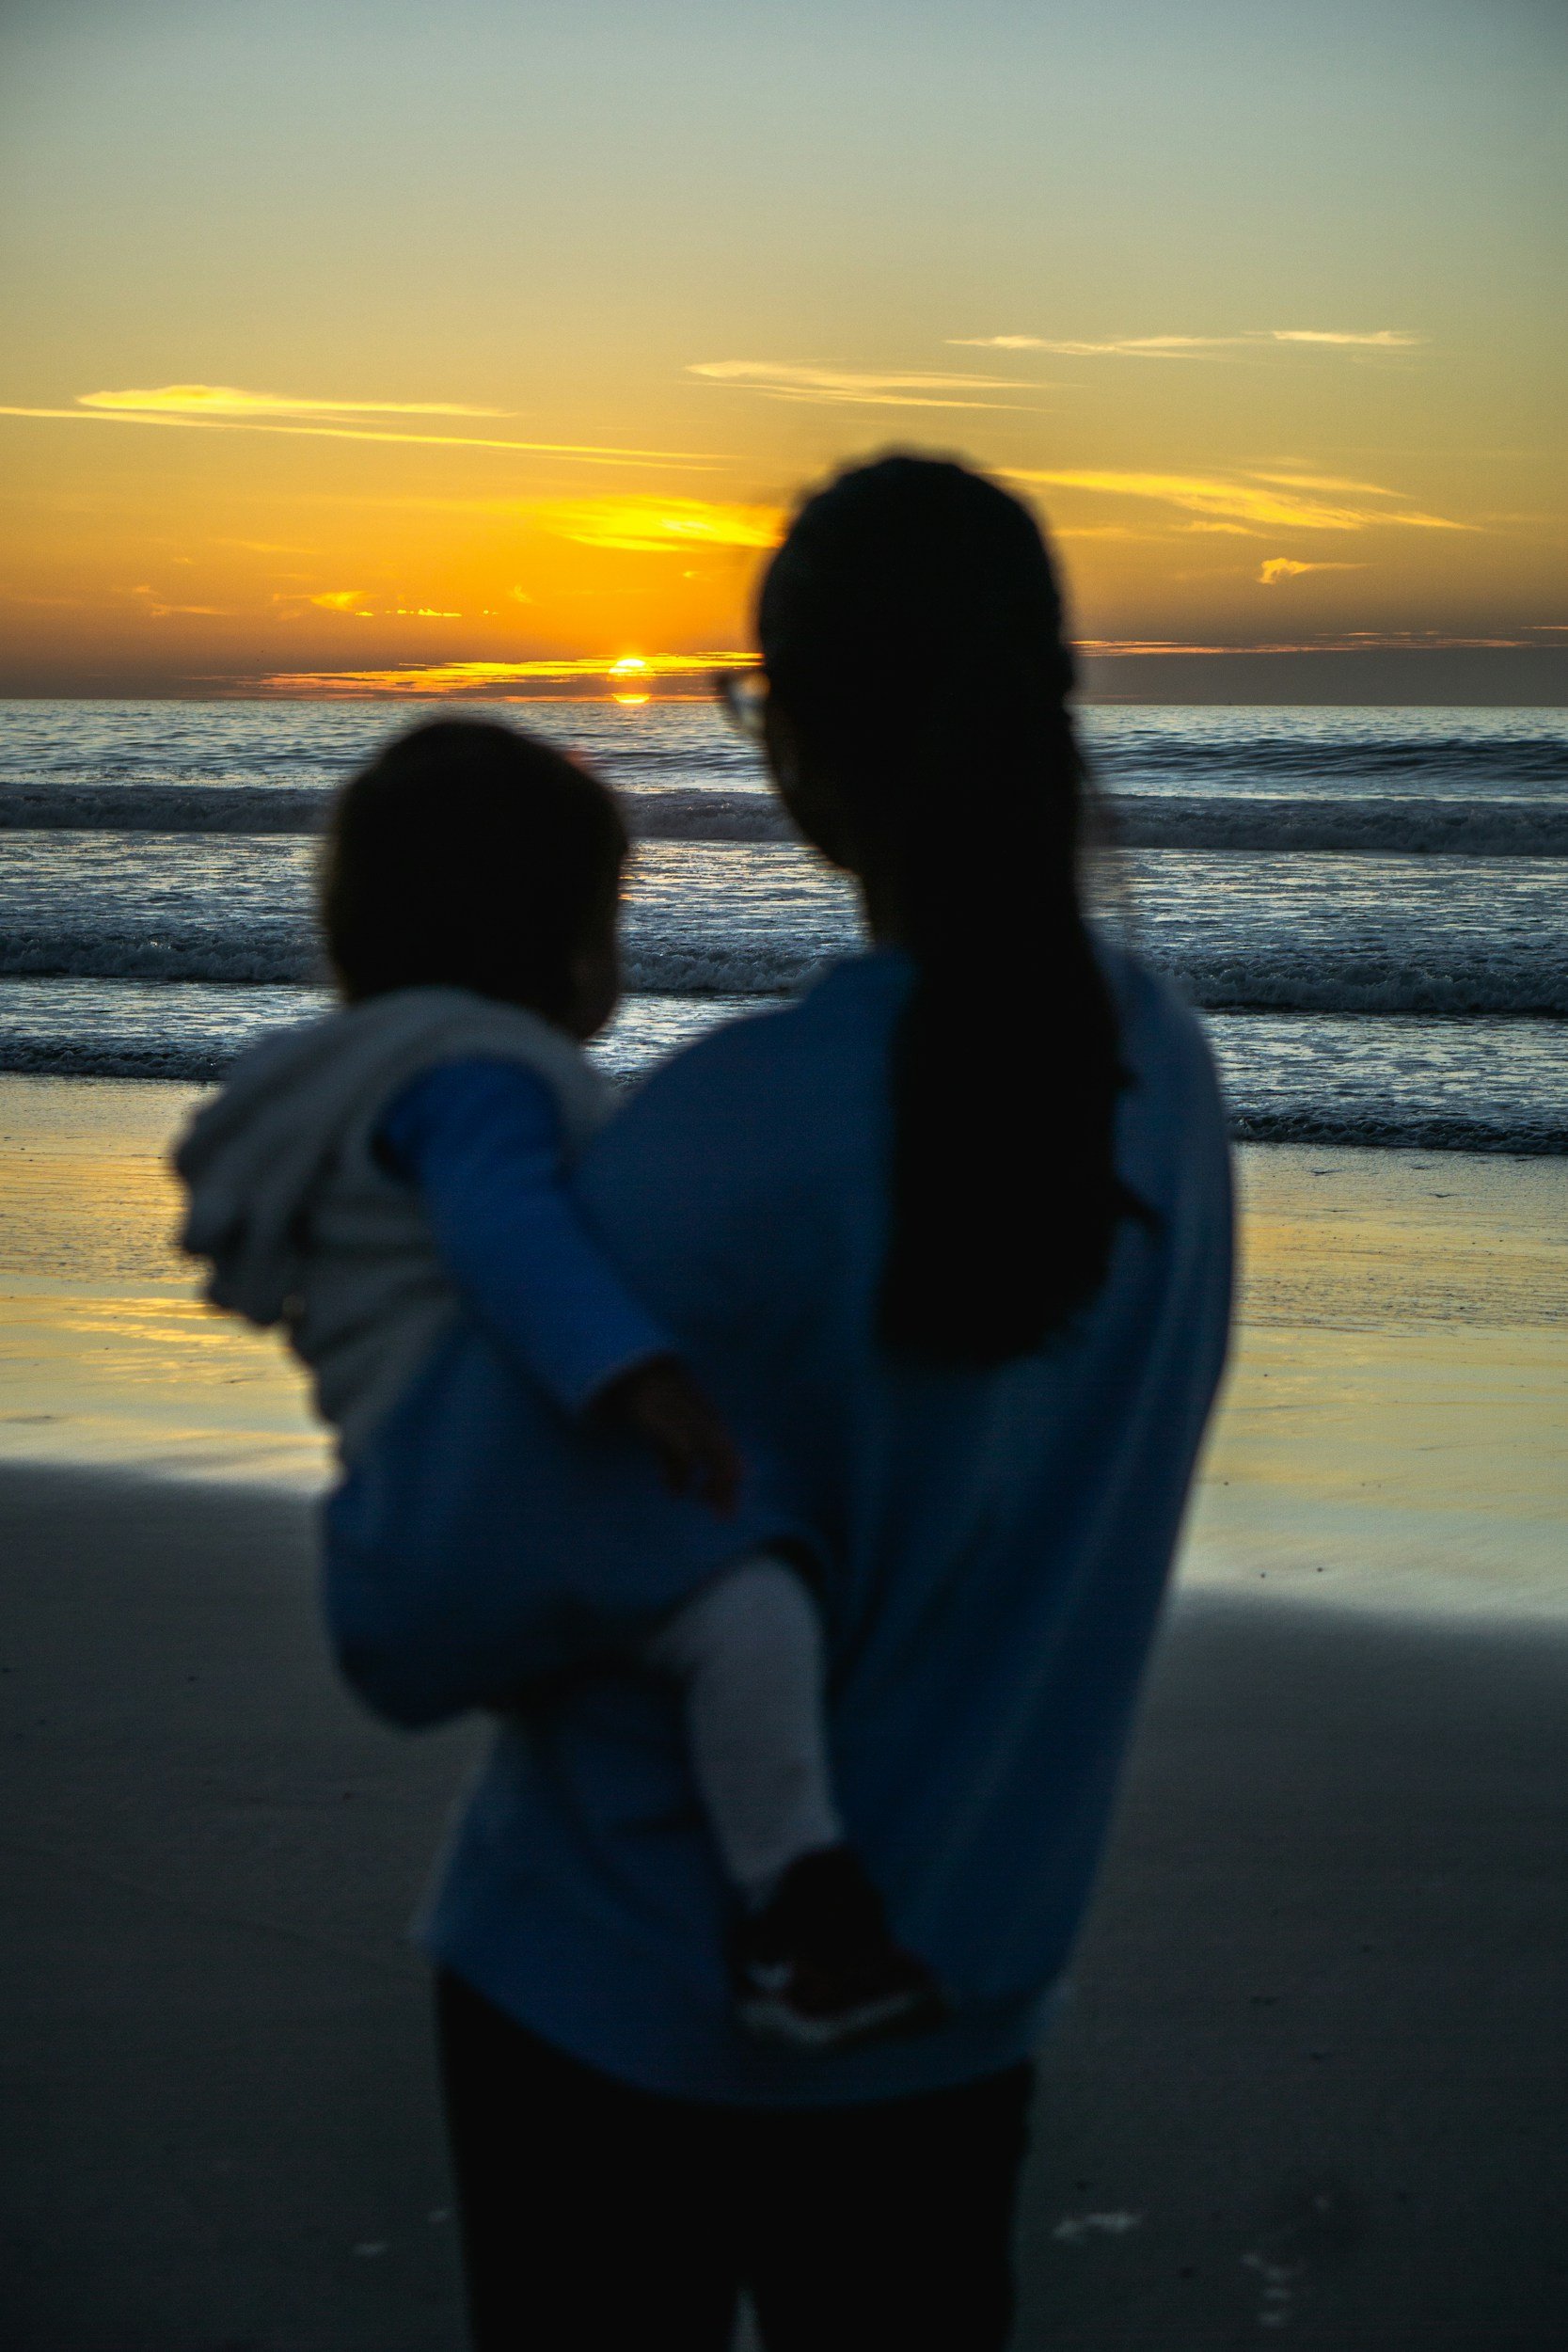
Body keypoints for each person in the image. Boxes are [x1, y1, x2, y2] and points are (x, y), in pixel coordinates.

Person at [322, 454, 1235, 2351]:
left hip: (605, 2002)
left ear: (798, 740)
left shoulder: (723, 1136)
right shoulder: (1166, 1081)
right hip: (964, 2003)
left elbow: (407, 1610)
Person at [174, 718, 942, 2051]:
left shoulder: (377, 1072)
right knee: (748, 1599)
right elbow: (507, 1231)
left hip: (402, 1513)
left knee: (670, 1629)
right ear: (562, 948)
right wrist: (631, 1373)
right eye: (611, 918)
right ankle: (796, 1921)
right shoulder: (478, 1078)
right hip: (468, 1474)